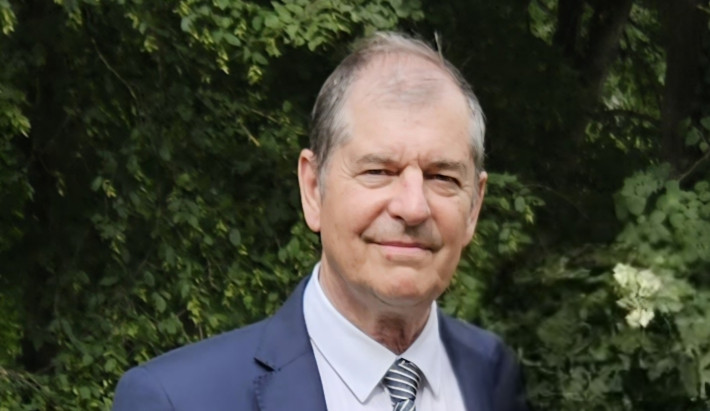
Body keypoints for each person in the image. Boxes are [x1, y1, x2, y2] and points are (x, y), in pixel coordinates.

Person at [113, 31, 528, 411]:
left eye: (442, 177)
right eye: (378, 171)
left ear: (474, 206)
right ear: (313, 188)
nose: (413, 207)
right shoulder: (175, 401)